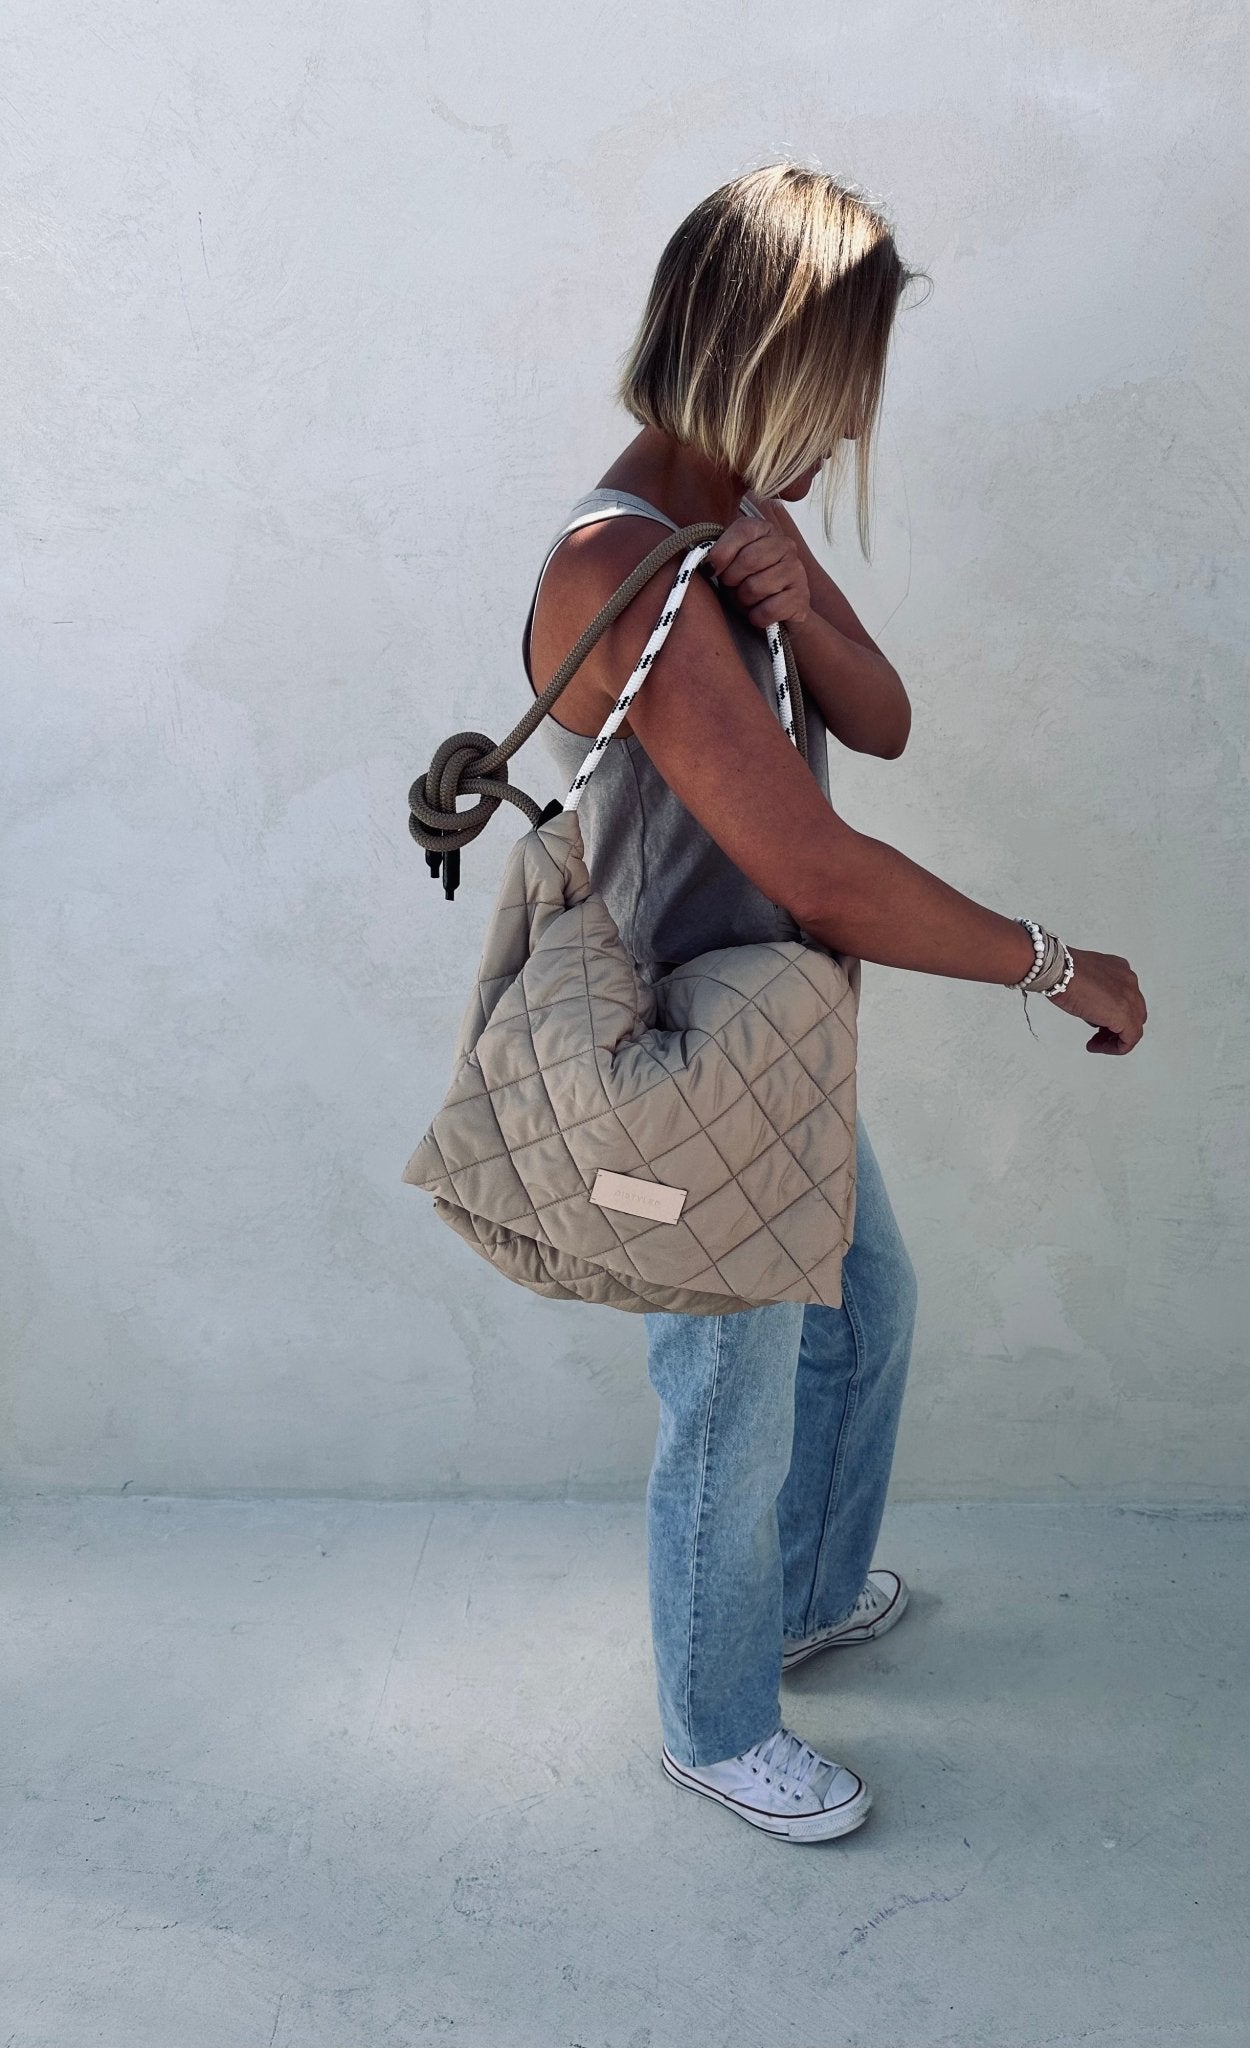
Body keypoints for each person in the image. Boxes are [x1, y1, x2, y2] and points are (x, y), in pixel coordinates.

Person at [520, 163, 1147, 1844]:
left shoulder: (732, 525)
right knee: (728, 1390)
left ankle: (791, 1602)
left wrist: (805, 592)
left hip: (775, 1031)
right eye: (841, 383)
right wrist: (1053, 963)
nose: (855, 420)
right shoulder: (621, 564)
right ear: (771, 358)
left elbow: (879, 723)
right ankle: (716, 1725)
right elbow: (817, 863)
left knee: (863, 1308)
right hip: (680, 1051)